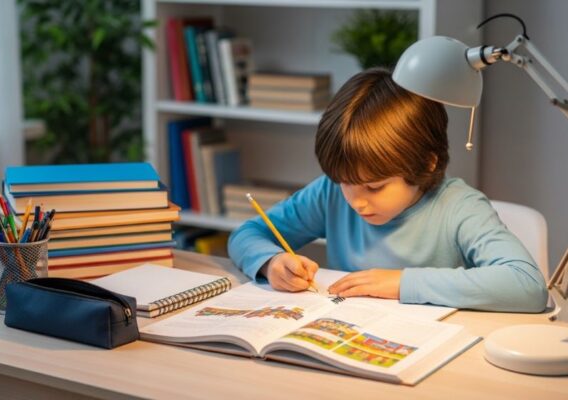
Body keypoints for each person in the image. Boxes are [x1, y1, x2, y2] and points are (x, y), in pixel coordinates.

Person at [227, 67, 548, 312]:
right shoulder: (330, 193)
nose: (356, 201)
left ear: (425, 164)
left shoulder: (459, 207)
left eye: (374, 187)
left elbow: (527, 285)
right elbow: (248, 233)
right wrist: (271, 262)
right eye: (345, 183)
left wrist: (402, 282)